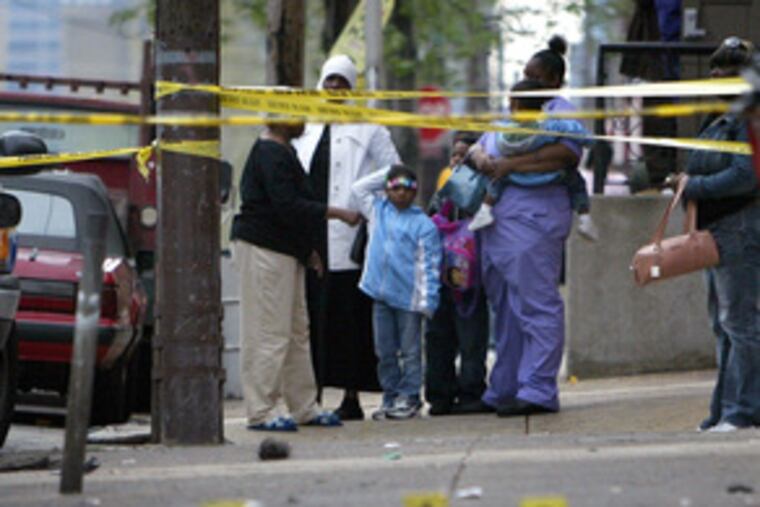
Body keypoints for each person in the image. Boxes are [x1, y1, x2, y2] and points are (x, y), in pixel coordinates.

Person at [466, 36, 585, 417]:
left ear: (554, 79)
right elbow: (484, 145)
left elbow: (566, 154)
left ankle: (537, 388)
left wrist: (511, 166)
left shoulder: (559, 113)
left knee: (536, 304)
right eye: (525, 75)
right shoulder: (513, 112)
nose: (527, 81)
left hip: (532, 221)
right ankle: (505, 386)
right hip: (498, 224)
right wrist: (479, 155)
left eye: (535, 76)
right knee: (506, 310)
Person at [231, 120, 360, 431]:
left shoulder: (284, 151)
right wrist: (338, 213)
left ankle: (304, 406)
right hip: (265, 248)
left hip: (285, 250)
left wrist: (307, 251)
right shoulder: (269, 152)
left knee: (296, 331)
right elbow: (287, 205)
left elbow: (289, 212)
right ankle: (261, 410)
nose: (303, 121)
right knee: (268, 330)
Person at [292, 54, 401, 421]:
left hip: (353, 236)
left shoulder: (369, 128)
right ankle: (312, 395)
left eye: (342, 82)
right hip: (311, 236)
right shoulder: (304, 128)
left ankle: (352, 395)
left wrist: (365, 201)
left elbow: (394, 174)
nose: (335, 89)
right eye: (330, 82)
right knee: (310, 316)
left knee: (350, 318)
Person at [678, 37, 759, 433]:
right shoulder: (718, 122)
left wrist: (692, 186)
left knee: (740, 323)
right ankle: (723, 410)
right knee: (723, 324)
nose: (713, 76)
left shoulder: (748, 122)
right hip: (717, 233)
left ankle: (742, 412)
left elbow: (747, 177)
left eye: (723, 70)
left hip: (740, 231)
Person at [351, 164, 442, 420]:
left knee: (411, 352)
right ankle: (390, 396)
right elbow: (358, 188)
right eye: (395, 187)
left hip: (409, 300)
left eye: (408, 188)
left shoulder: (423, 225)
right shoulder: (378, 212)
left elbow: (430, 266)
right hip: (380, 296)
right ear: (387, 189)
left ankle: (410, 397)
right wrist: (391, 171)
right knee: (385, 351)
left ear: (415, 193)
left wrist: (427, 301)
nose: (401, 193)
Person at [467, 79, 592, 233]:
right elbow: (577, 132)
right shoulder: (550, 125)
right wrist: (589, 140)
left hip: (514, 180)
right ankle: (584, 216)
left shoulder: (506, 130)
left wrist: (506, 164)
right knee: (577, 182)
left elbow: (568, 154)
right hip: (547, 176)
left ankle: (485, 209)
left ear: (516, 105)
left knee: (496, 181)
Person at [425, 133, 490, 416]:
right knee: (438, 337)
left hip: (471, 283)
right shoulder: (442, 193)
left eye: (466, 155)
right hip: (441, 279)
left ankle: (471, 393)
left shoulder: (485, 192)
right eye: (455, 155)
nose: (458, 161)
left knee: (472, 338)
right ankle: (440, 395)